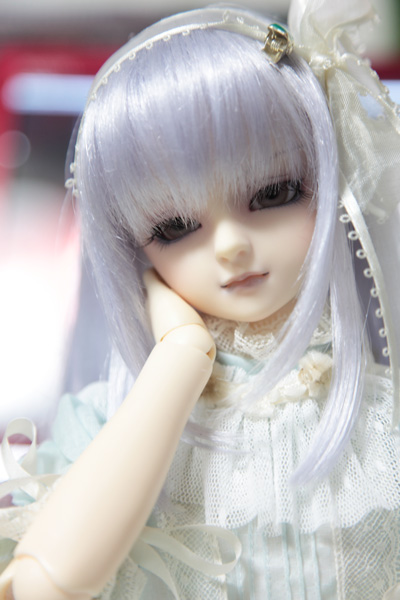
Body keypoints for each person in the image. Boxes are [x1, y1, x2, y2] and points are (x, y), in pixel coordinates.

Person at [1, 0, 400, 598]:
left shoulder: (379, 410)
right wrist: (178, 359)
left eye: (275, 192)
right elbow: (37, 587)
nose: (232, 246)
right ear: (133, 252)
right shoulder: (118, 418)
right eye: (175, 228)